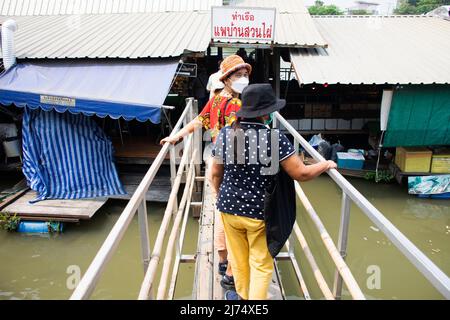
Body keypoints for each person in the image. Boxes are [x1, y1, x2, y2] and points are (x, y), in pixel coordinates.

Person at [210, 84, 337, 300]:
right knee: (261, 264)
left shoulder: (226, 133)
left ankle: (241, 297)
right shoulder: (274, 138)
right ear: (266, 113)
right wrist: (325, 164)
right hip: (260, 213)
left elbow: (215, 173)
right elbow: (301, 173)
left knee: (239, 261)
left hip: (229, 209)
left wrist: (218, 194)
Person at [160, 54, 252, 289]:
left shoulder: (218, 99)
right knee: (235, 213)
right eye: (238, 75)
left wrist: (177, 136)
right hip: (235, 164)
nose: (243, 79)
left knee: (222, 208)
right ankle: (232, 270)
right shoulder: (238, 104)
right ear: (227, 79)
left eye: (245, 75)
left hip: (217, 159)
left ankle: (223, 261)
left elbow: (199, 121)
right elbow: (238, 136)